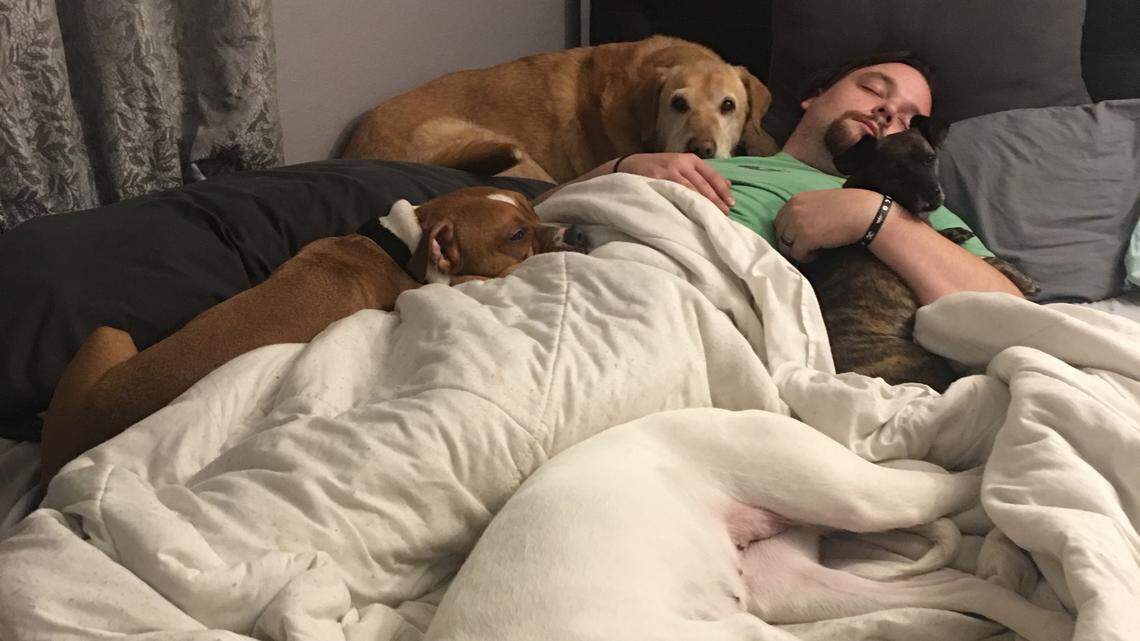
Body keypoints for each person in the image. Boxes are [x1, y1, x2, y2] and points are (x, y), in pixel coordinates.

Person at [533, 52, 1024, 306]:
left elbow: (1008, 309)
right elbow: (533, 216)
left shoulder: (914, 204)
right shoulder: (710, 161)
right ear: (815, 95)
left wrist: (876, 220)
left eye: (906, 118)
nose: (886, 110)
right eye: (874, 89)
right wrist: (623, 168)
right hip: (578, 270)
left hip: (696, 308)